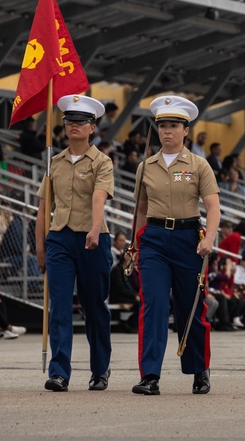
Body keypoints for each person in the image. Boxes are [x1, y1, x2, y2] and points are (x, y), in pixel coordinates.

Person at [131, 95, 220, 395]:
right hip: (154, 239)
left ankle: (199, 369)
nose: (167, 131)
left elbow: (213, 205)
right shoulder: (146, 166)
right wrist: (135, 242)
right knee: (153, 305)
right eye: (163, 126)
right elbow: (141, 209)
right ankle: (150, 375)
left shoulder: (199, 165)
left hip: (187, 240)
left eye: (174, 126)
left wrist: (209, 239)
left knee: (190, 308)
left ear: (186, 130)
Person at [35, 95, 114, 392]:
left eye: (81, 121)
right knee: (59, 309)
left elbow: (99, 197)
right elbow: (44, 207)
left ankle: (100, 369)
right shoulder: (54, 162)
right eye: (69, 121)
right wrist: (41, 248)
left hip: (93, 238)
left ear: (92, 127)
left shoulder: (102, 162)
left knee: (94, 307)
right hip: (60, 239)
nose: (74, 126)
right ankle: (59, 372)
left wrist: (94, 228)